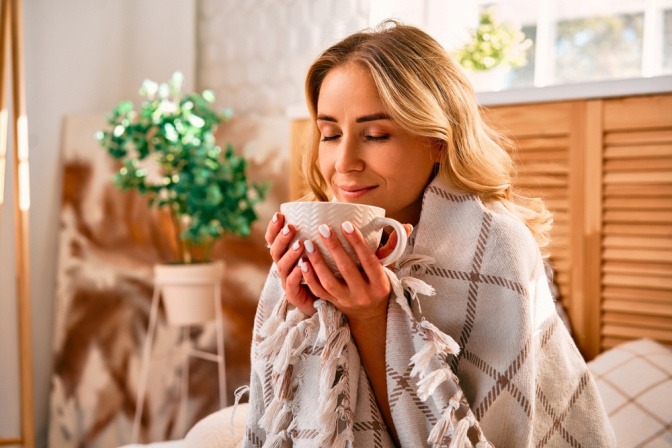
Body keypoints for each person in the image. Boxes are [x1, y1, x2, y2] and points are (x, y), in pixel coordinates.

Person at [243, 20, 615, 447]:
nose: (343, 162)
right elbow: (275, 416)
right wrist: (307, 316)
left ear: (437, 140)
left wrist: (372, 317)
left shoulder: (496, 246)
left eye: (376, 135)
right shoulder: (312, 235)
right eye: (330, 134)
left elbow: (471, 437)